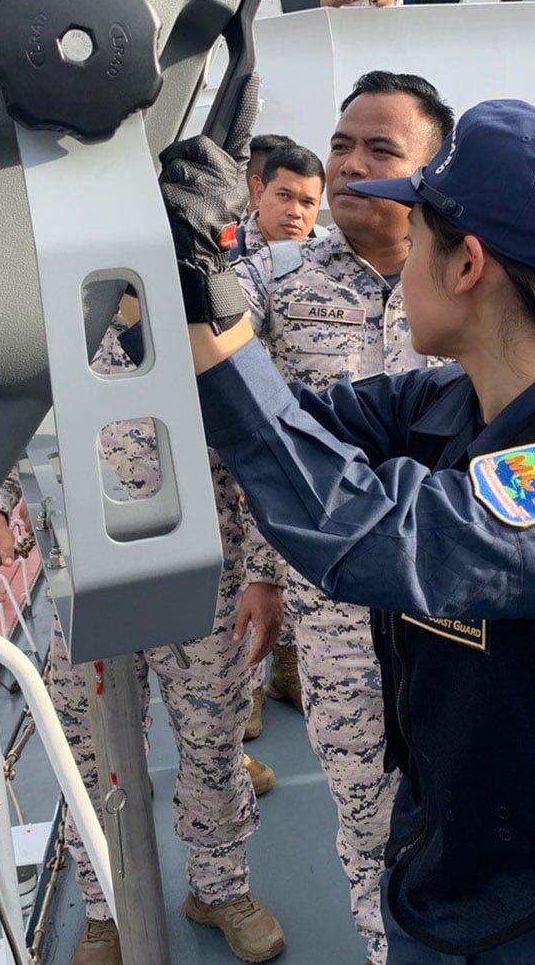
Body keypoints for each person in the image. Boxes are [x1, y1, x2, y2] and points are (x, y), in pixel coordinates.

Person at [156, 95, 535, 963]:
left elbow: (374, 535)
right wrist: (181, 278)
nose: (402, 265)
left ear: (466, 264)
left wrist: (206, 295)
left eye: (417, 239)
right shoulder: (444, 401)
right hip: (445, 869)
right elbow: (285, 424)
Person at [228, 69, 454, 965]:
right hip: (335, 609)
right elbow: (250, 425)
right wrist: (263, 572)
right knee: (364, 810)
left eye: (380, 149)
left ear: (432, 169)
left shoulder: (476, 277)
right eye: (342, 145)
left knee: (466, 803)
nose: (351, 165)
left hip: (459, 605)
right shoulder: (276, 276)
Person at [0, 335, 286, 964]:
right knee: (93, 757)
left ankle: (220, 889)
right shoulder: (50, 321)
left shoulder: (202, 315)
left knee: (212, 748)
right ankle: (105, 907)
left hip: (202, 582)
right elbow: (17, 412)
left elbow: (259, 443)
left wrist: (263, 572)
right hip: (87, 584)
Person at [237, 141, 326, 740]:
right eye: (285, 196)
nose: (296, 212)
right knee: (246, 575)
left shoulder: (324, 261)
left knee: (302, 560)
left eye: (309, 202)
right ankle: (245, 695)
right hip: (238, 444)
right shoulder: (226, 257)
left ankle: (287, 673)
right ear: (258, 191)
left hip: (299, 437)